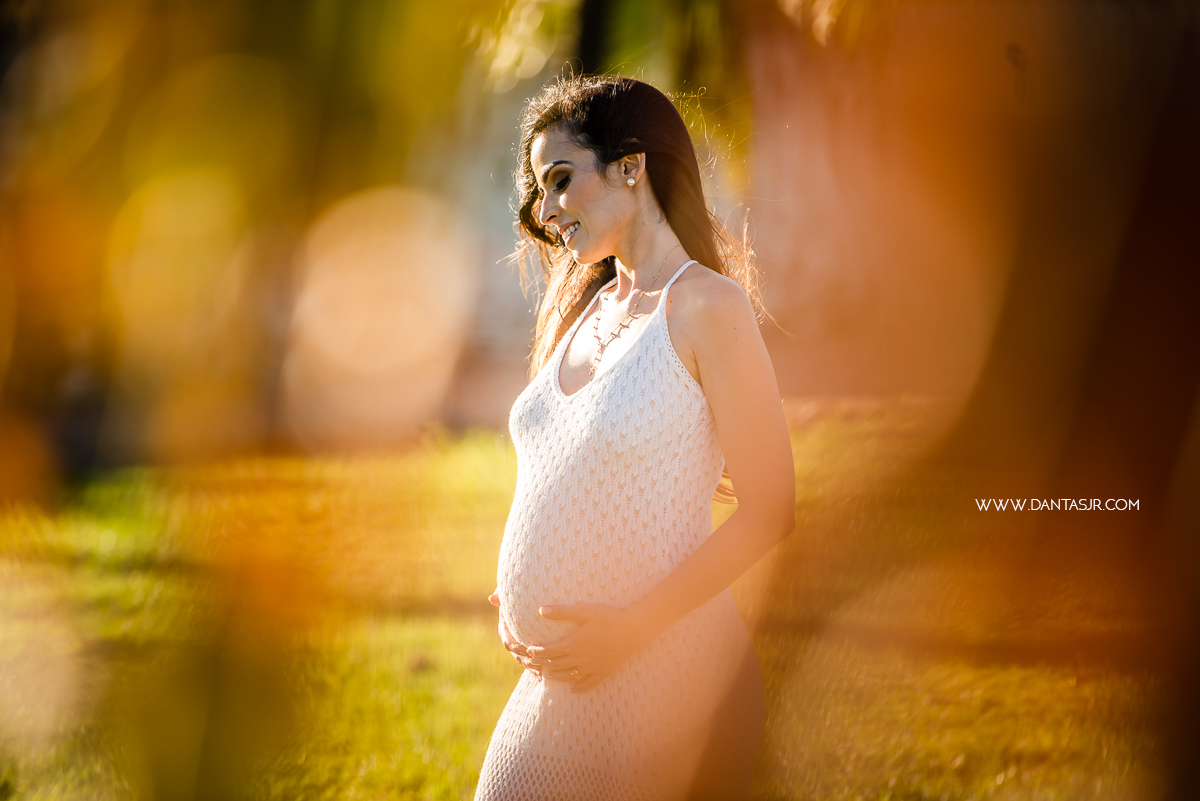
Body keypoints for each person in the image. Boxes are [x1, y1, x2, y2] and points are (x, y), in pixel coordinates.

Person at [474, 75, 795, 801]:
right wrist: (522, 585)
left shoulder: (710, 307)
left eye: (560, 180)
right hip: (559, 677)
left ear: (631, 164)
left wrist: (627, 628)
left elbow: (772, 508)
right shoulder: (582, 311)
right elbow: (569, 467)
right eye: (538, 191)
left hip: (670, 679)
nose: (545, 210)